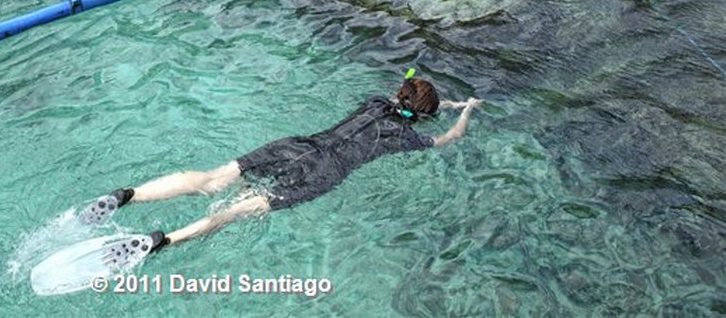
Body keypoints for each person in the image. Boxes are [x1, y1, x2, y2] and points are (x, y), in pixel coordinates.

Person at [82, 72, 485, 255]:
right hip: (322, 173)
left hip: (298, 146)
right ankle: (163, 241)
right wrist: (465, 109)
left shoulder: (376, 102)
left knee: (212, 179)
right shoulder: (404, 137)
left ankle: (129, 195)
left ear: (398, 96)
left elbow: (408, 99)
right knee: (237, 211)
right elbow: (451, 136)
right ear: (421, 117)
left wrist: (439, 100)